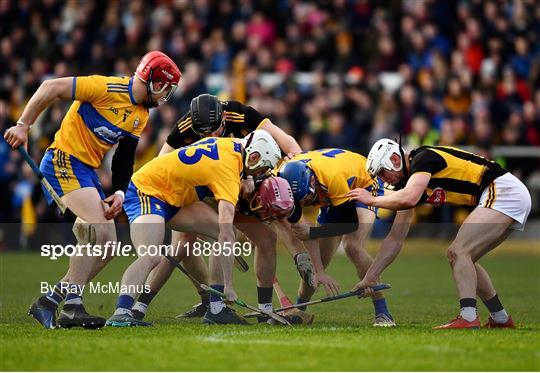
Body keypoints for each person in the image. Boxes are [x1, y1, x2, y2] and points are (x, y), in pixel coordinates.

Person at [3, 51, 181, 329]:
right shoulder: (105, 87)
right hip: (63, 160)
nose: (164, 96)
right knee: (100, 231)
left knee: (108, 246)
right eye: (164, 88)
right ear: (151, 81)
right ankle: (73, 306)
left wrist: (120, 192)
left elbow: (124, 159)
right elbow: (50, 87)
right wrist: (24, 125)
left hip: (87, 172)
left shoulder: (140, 115)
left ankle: (50, 301)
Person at [132, 94, 305, 320]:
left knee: (265, 238)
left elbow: (286, 142)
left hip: (234, 184)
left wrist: (301, 169)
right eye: (203, 133)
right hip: (200, 191)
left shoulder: (241, 115)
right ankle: (203, 305)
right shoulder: (185, 126)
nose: (210, 136)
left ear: (224, 119)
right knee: (186, 242)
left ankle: (262, 310)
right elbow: (161, 163)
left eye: (214, 130)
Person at [347, 139, 531, 329]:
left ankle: (468, 317)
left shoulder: (422, 159)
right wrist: (370, 277)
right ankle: (500, 318)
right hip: (506, 193)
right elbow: (395, 239)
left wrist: (372, 200)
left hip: (502, 190)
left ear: (394, 159)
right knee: (465, 258)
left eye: (382, 173)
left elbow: (409, 198)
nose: (384, 180)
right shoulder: (411, 183)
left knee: (458, 252)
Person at [106, 131, 284, 326]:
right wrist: (230, 286)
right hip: (147, 191)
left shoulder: (234, 146)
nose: (260, 174)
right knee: (151, 255)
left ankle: (216, 309)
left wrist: (247, 178)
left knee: (219, 231)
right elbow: (225, 235)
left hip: (174, 196)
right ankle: (121, 313)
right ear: (254, 157)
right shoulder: (228, 173)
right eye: (262, 168)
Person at [278, 149, 413, 327]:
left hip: (363, 182)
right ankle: (299, 310)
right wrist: (319, 271)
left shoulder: (333, 177)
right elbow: (304, 231)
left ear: (312, 180)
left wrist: (312, 233)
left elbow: (349, 226)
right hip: (332, 188)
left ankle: (383, 313)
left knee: (352, 245)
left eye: (310, 198)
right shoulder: (282, 178)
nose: (308, 203)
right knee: (321, 260)